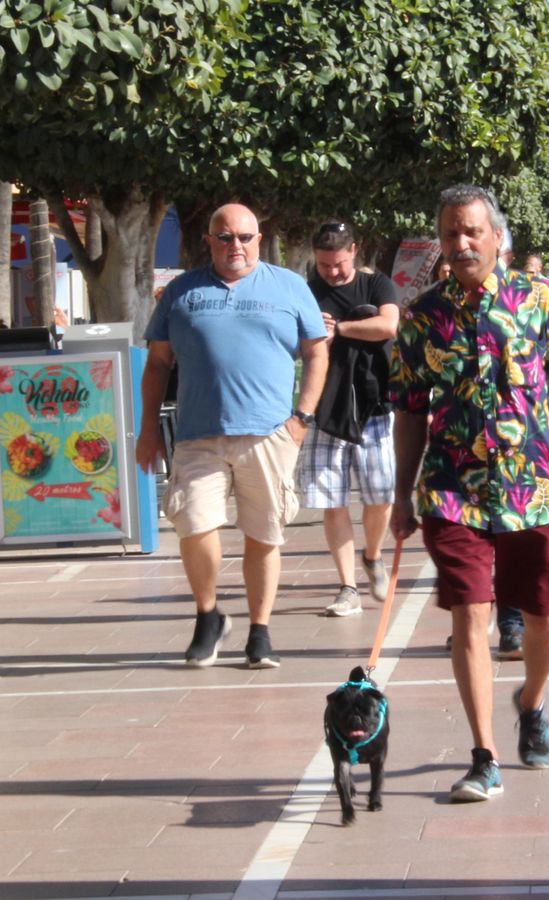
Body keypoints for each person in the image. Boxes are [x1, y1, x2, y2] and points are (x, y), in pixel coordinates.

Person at [391, 184, 549, 802]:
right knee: (470, 615)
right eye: (450, 233)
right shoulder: (423, 316)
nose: (460, 244)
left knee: (545, 619)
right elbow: (408, 409)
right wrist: (402, 495)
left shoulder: (541, 301)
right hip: (454, 491)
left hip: (534, 489)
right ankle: (484, 755)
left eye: (472, 232)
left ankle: (532, 703)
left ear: (496, 236)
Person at [136, 203, 329, 668]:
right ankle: (208, 616)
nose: (234, 246)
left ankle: (260, 631)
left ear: (259, 239)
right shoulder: (181, 292)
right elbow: (159, 363)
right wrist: (146, 430)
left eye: (244, 237)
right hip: (198, 435)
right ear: (210, 241)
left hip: (269, 434)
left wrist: (301, 418)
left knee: (264, 534)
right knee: (193, 524)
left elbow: (318, 353)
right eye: (224, 237)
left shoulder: (289, 286)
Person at [300, 220, 400, 618]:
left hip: (375, 407)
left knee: (382, 495)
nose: (333, 272)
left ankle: (372, 555)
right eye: (324, 265)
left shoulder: (377, 286)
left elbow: (388, 324)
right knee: (332, 500)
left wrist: (338, 329)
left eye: (338, 264)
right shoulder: (308, 293)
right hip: (326, 409)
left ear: (354, 251)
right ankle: (347, 587)